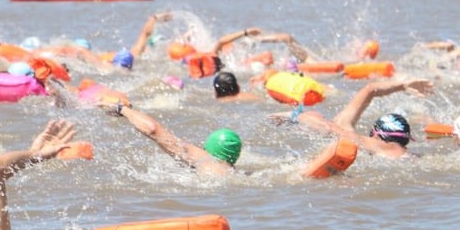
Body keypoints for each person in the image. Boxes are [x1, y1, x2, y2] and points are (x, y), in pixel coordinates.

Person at [277, 78, 434, 159]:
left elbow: (326, 127)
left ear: (376, 134)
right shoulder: (412, 156)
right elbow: (370, 90)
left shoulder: (359, 139)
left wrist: (293, 116)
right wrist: (403, 85)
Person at [107, 102, 240, 176]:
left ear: (208, 148)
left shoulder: (204, 160)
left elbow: (153, 130)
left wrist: (123, 109)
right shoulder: (233, 172)